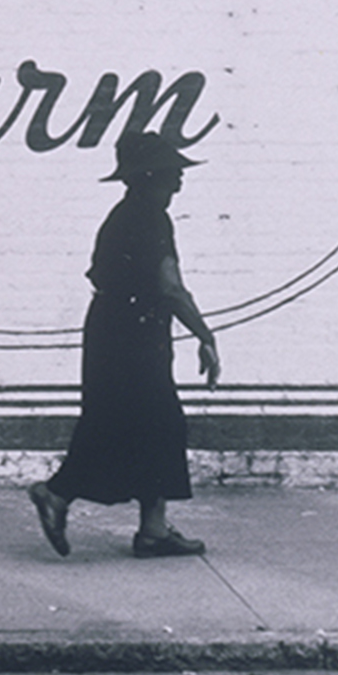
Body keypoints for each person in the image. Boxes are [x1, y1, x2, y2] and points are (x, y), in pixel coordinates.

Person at [29, 130, 221, 559]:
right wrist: (205, 336)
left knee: (139, 423)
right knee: (151, 423)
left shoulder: (127, 214)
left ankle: (152, 530)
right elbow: (169, 287)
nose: (179, 181)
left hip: (114, 328)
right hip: (134, 334)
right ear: (150, 176)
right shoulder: (150, 218)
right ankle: (57, 494)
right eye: (172, 172)